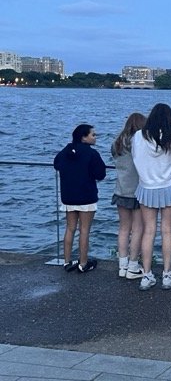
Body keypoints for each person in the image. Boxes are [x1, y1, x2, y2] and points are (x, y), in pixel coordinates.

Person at [131, 103, 171, 291]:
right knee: (167, 231)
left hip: (146, 187)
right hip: (169, 187)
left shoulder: (138, 137)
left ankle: (146, 274)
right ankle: (167, 274)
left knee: (148, 231)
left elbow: (135, 159)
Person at [54, 124, 106, 273]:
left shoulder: (66, 150)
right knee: (84, 230)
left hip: (68, 196)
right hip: (86, 196)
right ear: (84, 137)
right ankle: (83, 263)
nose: (95, 137)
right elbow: (100, 174)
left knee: (70, 228)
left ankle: (66, 261)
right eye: (93, 135)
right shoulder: (91, 154)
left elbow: (56, 164)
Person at [111, 112, 146, 280]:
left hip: (121, 189)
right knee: (138, 228)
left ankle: (122, 264)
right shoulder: (139, 142)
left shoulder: (117, 143)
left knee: (123, 228)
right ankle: (133, 265)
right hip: (138, 191)